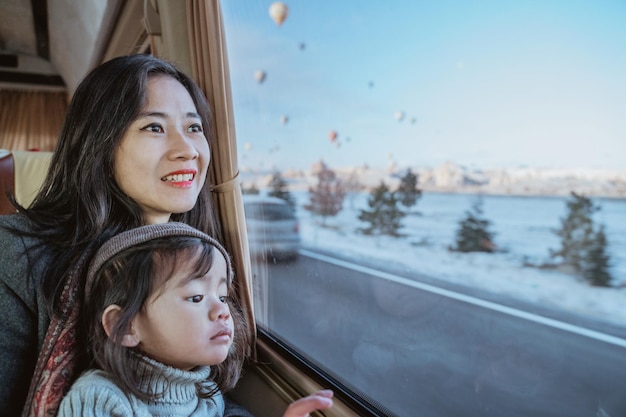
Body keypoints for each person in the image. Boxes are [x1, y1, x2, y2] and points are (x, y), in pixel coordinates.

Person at [0, 54, 235, 416]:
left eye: (194, 127)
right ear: (99, 143)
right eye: (154, 127)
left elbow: (203, 397)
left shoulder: (203, 261)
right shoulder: (14, 254)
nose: (188, 149)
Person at [56, 222, 333, 417]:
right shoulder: (101, 398)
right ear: (125, 325)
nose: (222, 311)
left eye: (223, 297)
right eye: (196, 298)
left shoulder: (206, 393)